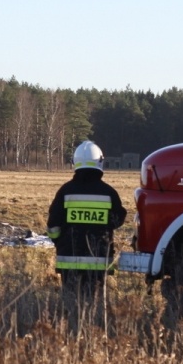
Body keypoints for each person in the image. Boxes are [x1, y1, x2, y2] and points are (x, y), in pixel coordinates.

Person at [47, 140, 127, 326]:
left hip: (69, 260)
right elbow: (118, 219)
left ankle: (69, 329)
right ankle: (94, 330)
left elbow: (53, 225)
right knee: (95, 305)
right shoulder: (108, 193)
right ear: (100, 162)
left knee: (70, 304)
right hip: (98, 261)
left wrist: (59, 243)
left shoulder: (65, 191)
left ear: (75, 163)